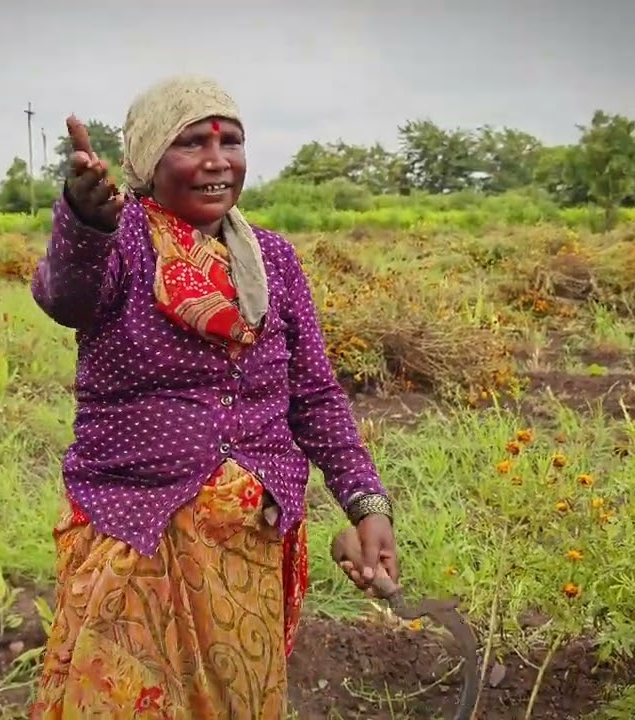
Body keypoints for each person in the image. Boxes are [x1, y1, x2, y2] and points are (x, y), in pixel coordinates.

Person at [27, 74, 399, 719]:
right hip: (136, 531)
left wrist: (367, 504)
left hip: (246, 542)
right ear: (147, 157)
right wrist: (82, 223)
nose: (216, 161)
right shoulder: (120, 241)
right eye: (191, 143)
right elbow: (67, 296)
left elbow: (313, 395)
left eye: (232, 143)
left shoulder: (273, 261)